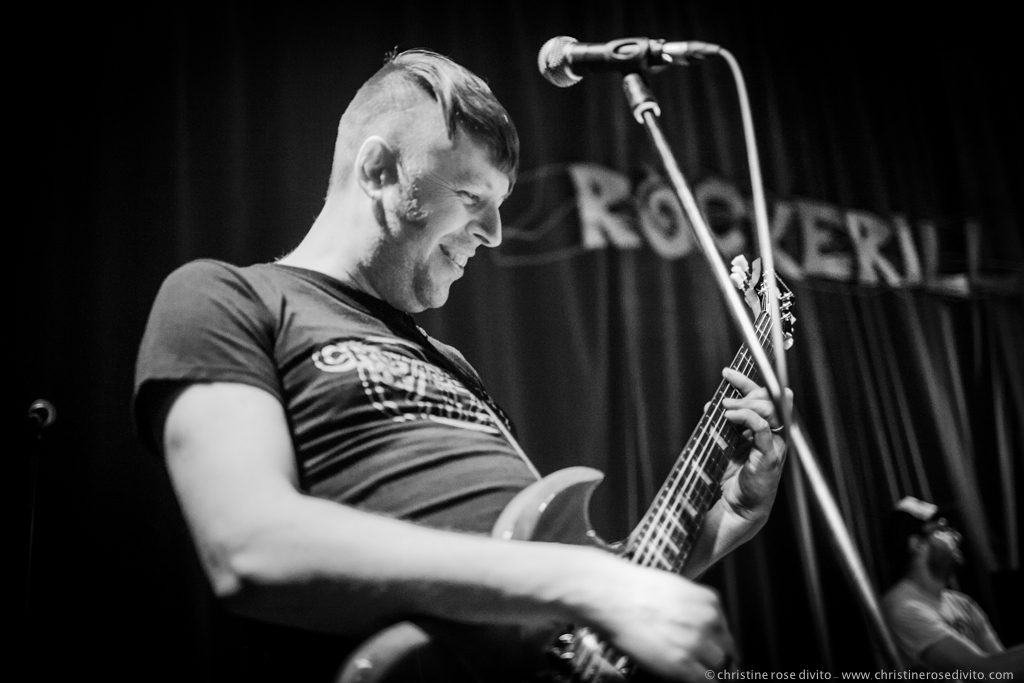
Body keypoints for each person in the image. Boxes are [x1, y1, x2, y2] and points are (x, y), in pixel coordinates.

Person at [134, 49, 790, 682]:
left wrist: (719, 525)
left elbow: (564, 624)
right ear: (379, 170)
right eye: (473, 196)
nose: (495, 233)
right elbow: (250, 545)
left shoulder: (452, 365)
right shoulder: (226, 297)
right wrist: (584, 580)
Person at [881, 496, 1024, 673]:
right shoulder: (903, 607)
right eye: (943, 529)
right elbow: (986, 671)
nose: (957, 536)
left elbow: (1005, 674)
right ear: (917, 544)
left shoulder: (964, 604)